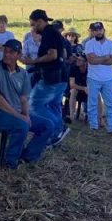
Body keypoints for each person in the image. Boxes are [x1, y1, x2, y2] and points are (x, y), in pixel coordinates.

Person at [0, 39, 56, 169]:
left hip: (16, 112)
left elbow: (24, 98)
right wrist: (20, 116)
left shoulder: (23, 73)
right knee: (21, 125)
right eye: (5, 51)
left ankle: (26, 157)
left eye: (11, 52)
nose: (7, 54)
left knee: (48, 125)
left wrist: (26, 115)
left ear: (18, 55)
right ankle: (9, 162)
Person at [25, 9, 70, 146]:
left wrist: (34, 61)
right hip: (61, 77)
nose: (33, 27)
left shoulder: (48, 34)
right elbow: (63, 54)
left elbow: (53, 55)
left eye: (33, 24)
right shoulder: (54, 33)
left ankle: (59, 129)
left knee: (34, 103)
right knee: (54, 105)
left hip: (52, 78)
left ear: (40, 21)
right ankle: (56, 134)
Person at [84, 21, 112, 133]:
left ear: (104, 30)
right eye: (95, 30)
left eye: (100, 29)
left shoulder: (111, 44)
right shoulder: (89, 44)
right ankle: (93, 126)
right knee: (92, 103)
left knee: (111, 104)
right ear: (93, 32)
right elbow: (91, 61)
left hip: (108, 79)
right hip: (93, 78)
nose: (98, 32)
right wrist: (105, 57)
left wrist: (98, 59)